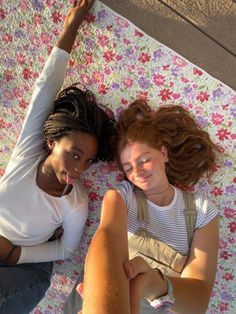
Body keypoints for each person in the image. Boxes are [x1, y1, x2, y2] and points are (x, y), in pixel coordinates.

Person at [0, 1, 117, 313]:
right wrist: (72, 25)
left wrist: (15, 254)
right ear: (52, 142)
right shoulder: (27, 153)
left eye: (88, 161)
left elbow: (66, 247)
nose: (79, 168)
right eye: (74, 154)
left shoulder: (74, 202)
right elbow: (45, 88)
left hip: (27, 267)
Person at [64, 101, 219, 314]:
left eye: (144, 160)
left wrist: (156, 284)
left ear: (163, 154)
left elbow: (198, 300)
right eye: (128, 168)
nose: (137, 172)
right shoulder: (122, 195)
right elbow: (107, 235)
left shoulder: (202, 211)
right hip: (90, 301)